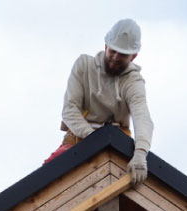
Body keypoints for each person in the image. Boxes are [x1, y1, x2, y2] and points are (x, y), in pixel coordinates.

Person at [46, 18, 153, 184]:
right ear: (106, 46)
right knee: (48, 176)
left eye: (123, 55)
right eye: (113, 51)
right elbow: (70, 109)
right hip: (78, 139)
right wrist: (94, 138)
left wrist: (140, 153)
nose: (116, 57)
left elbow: (142, 116)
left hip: (117, 142)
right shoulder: (84, 66)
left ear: (133, 56)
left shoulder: (133, 81)